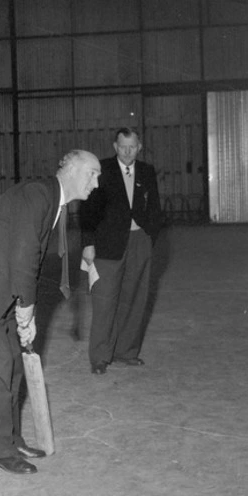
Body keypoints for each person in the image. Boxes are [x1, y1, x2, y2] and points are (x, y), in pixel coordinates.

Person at [0, 150, 102, 474]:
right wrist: (26, 310)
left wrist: (22, 310)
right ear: (71, 170)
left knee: (13, 365)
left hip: (0, 290)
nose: (96, 184)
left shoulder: (53, 202)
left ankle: (11, 439)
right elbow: (24, 255)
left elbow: (29, 260)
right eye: (92, 174)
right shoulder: (38, 195)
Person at [79, 127, 163, 375]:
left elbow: (155, 208)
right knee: (104, 302)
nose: (127, 152)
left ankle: (126, 352)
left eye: (132, 147)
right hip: (106, 245)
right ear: (115, 147)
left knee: (135, 299)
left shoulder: (147, 171)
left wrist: (149, 238)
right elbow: (87, 209)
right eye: (122, 146)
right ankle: (100, 357)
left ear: (139, 147)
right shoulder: (101, 170)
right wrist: (88, 242)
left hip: (139, 241)